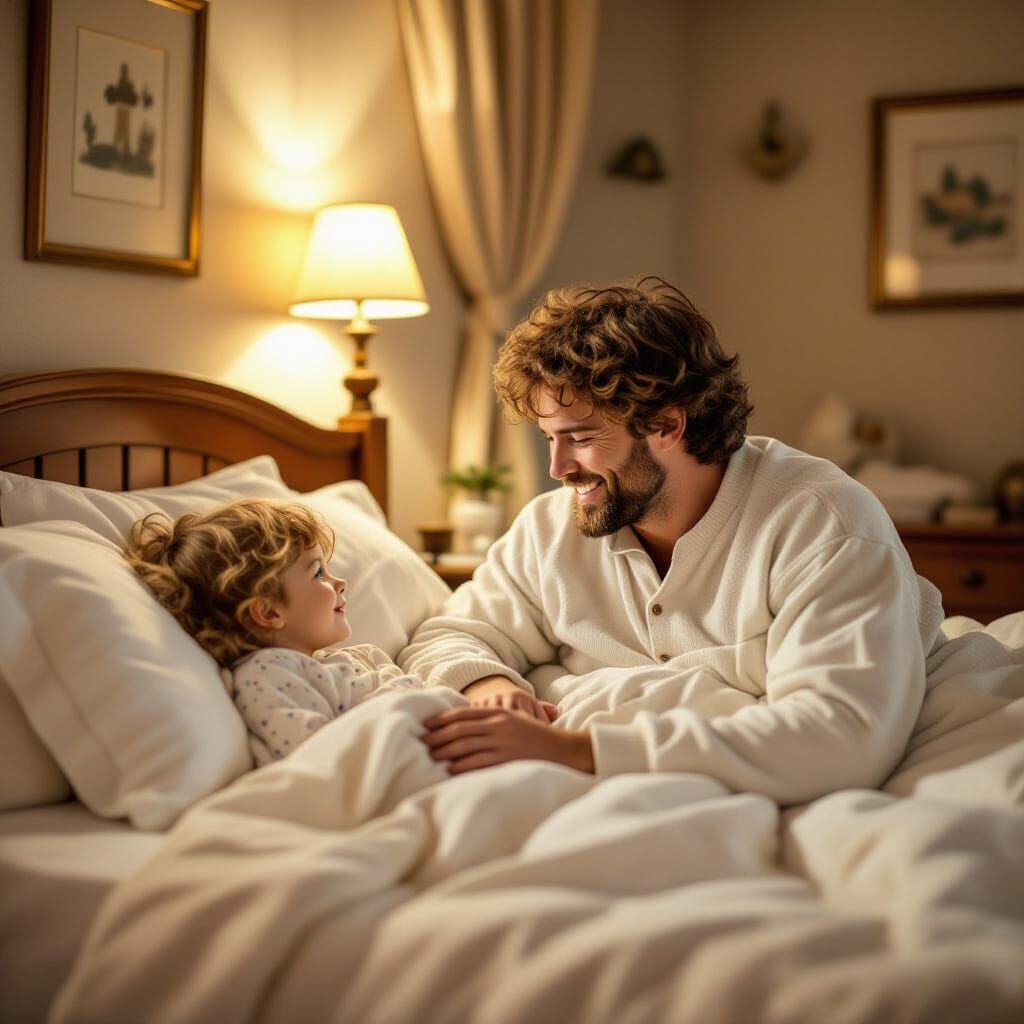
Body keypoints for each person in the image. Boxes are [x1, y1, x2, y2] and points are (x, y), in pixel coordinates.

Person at [400, 278, 945, 804]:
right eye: (549, 439)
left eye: (581, 439)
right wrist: (488, 683)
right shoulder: (552, 527)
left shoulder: (822, 522)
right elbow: (444, 636)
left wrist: (576, 750)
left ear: (666, 424)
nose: (558, 468)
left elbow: (842, 737)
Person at [125, 499, 422, 766]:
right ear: (268, 612)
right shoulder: (266, 675)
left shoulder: (355, 658)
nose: (340, 582)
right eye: (318, 572)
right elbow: (319, 756)